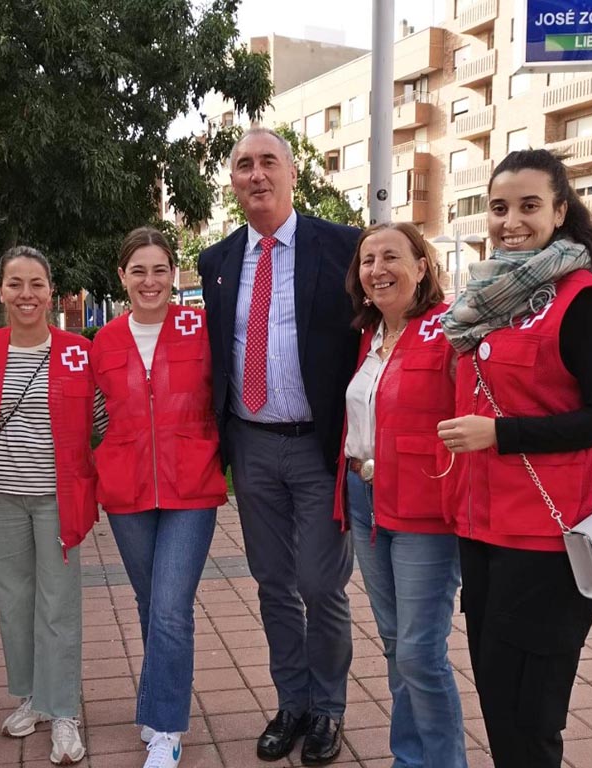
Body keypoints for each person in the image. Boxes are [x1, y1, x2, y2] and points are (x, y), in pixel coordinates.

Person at [437, 148, 592, 767]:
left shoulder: (583, 299)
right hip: (484, 527)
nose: (511, 221)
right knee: (498, 701)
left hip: (551, 537)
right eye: (499, 208)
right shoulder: (492, 298)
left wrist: (501, 435)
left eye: (528, 206)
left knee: (532, 713)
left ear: (560, 210)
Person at [198, 127, 360, 765]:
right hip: (253, 445)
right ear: (233, 181)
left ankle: (329, 708)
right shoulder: (216, 261)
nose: (256, 174)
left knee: (322, 585)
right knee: (271, 582)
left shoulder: (343, 247)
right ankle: (291, 703)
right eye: (244, 165)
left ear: (293, 173)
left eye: (269, 162)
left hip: (318, 447)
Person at [0, 245, 104, 766]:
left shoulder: (78, 349)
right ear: (1, 291)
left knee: (58, 605)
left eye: (36, 283)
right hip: (2, 496)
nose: (26, 294)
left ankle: (64, 711)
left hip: (59, 496)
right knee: (13, 603)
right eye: (15, 283)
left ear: (51, 291)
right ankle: (33, 697)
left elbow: (102, 420)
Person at [91, 228, 227, 768]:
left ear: (175, 275)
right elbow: (90, 414)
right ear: (122, 277)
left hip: (191, 485)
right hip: (126, 490)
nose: (151, 281)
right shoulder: (102, 342)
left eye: (160, 270)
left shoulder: (201, 327)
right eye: (139, 271)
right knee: (152, 604)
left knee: (171, 608)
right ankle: (160, 702)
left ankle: (166, 728)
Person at [335, 222, 466, 768]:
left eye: (391, 257)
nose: (378, 269)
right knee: (395, 642)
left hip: (423, 509)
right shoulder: (370, 336)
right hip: (366, 500)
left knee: (419, 652)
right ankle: (410, 758)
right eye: (368, 260)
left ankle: (440, 761)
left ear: (422, 266)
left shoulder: (450, 329)